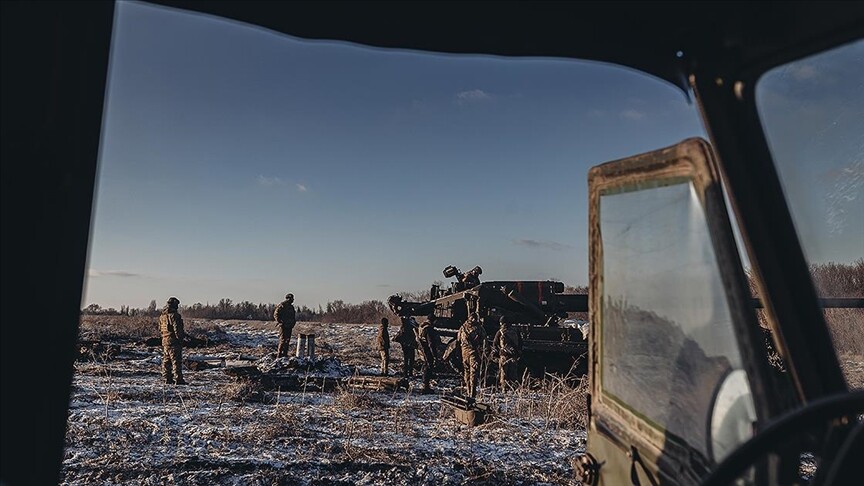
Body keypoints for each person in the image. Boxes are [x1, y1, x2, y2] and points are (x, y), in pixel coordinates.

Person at [457, 313, 487, 399]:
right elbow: (484, 340)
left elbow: (458, 340)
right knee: (471, 372)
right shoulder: (479, 328)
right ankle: (471, 392)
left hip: (467, 353)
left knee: (470, 372)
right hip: (471, 353)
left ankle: (471, 392)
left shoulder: (463, 328)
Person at [159, 296, 186, 385]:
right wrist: (181, 339)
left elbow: (160, 329)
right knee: (176, 361)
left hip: (165, 341)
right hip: (174, 341)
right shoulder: (174, 316)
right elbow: (177, 329)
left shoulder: (162, 316)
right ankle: (179, 380)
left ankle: (167, 379)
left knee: (166, 361)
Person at [493, 315, 523, 388]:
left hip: (504, 356)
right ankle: (514, 389)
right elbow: (521, 342)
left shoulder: (500, 332)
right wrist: (519, 352)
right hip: (513, 356)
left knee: (503, 374)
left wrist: (496, 354)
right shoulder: (515, 331)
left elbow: (495, 343)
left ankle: (504, 389)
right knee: (513, 374)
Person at [416, 314, 440, 393]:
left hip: (422, 349)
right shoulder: (429, 329)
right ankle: (426, 387)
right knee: (428, 367)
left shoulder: (422, 326)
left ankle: (425, 385)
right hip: (427, 350)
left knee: (425, 366)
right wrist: (434, 355)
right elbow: (431, 343)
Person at [274, 293, 296, 358]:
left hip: (289, 326)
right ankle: (279, 355)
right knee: (283, 340)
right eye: (292, 298)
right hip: (283, 326)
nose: (292, 300)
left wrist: (293, 323)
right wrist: (280, 322)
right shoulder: (282, 305)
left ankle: (285, 355)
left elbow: (293, 316)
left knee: (287, 340)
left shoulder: (291, 307)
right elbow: (276, 314)